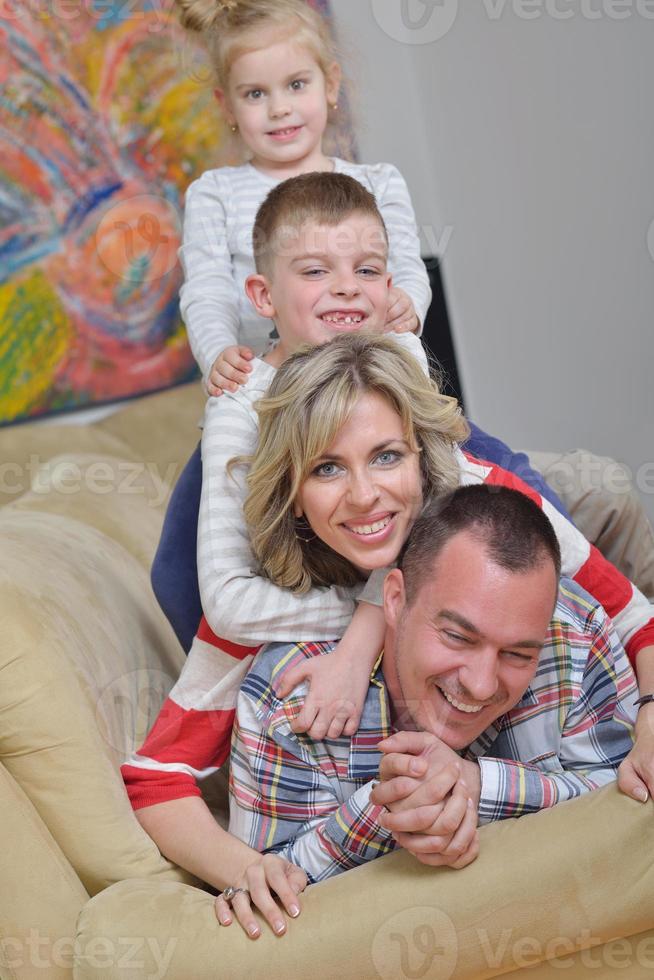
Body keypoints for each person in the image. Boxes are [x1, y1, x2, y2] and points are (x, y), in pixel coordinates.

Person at [124, 331, 654, 937]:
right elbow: (154, 778)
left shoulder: (492, 504)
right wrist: (247, 869)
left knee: (604, 492)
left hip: (474, 524)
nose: (364, 494)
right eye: (327, 467)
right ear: (294, 494)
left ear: (421, 461)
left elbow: (631, 612)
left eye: (386, 456)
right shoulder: (261, 619)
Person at [152, 0, 575, 654]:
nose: (281, 108)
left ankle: (553, 618)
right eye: (256, 94)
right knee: (177, 572)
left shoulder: (374, 180)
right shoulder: (216, 193)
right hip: (275, 403)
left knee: (521, 487)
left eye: (296, 85)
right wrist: (218, 354)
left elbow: (408, 262)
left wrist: (407, 297)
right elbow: (204, 287)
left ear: (331, 83)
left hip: (378, 391)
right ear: (227, 106)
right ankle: (234, 696)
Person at [226, 485, 637, 893]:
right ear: (394, 600)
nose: (480, 685)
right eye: (458, 637)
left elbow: (625, 799)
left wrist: (479, 785)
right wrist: (391, 804)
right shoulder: (286, 702)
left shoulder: (574, 633)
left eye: (517, 655)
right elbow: (267, 887)